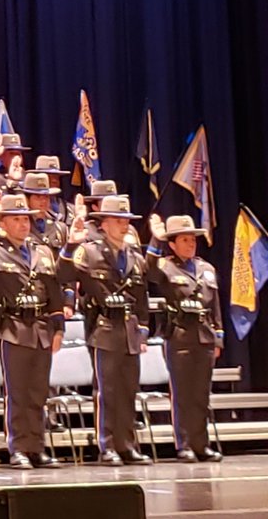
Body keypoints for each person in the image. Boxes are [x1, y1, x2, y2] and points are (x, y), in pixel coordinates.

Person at [0, 194, 65, 470]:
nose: (23, 224)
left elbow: (53, 291)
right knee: (18, 393)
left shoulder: (41, 251)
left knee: (38, 392)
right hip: (12, 327)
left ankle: (37, 447)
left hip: (41, 327)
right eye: (17, 219)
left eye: (25, 218)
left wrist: (58, 327)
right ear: (4, 223)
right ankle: (19, 448)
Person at [58, 194, 152, 466]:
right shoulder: (89, 252)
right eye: (118, 220)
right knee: (108, 390)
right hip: (104, 328)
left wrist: (143, 331)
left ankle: (127, 444)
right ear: (104, 224)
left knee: (128, 390)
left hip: (129, 328)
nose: (124, 225)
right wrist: (70, 244)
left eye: (126, 220)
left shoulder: (134, 256)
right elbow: (63, 276)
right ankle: (107, 444)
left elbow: (142, 299)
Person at [147, 214, 224, 463]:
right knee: (182, 394)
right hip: (179, 335)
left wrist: (218, 338)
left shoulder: (206, 269)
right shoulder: (165, 266)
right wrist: (155, 241)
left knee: (201, 394)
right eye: (185, 240)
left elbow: (216, 308)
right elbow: (148, 272)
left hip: (204, 337)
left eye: (193, 240)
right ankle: (185, 444)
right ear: (173, 244)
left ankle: (201, 444)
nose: (191, 244)